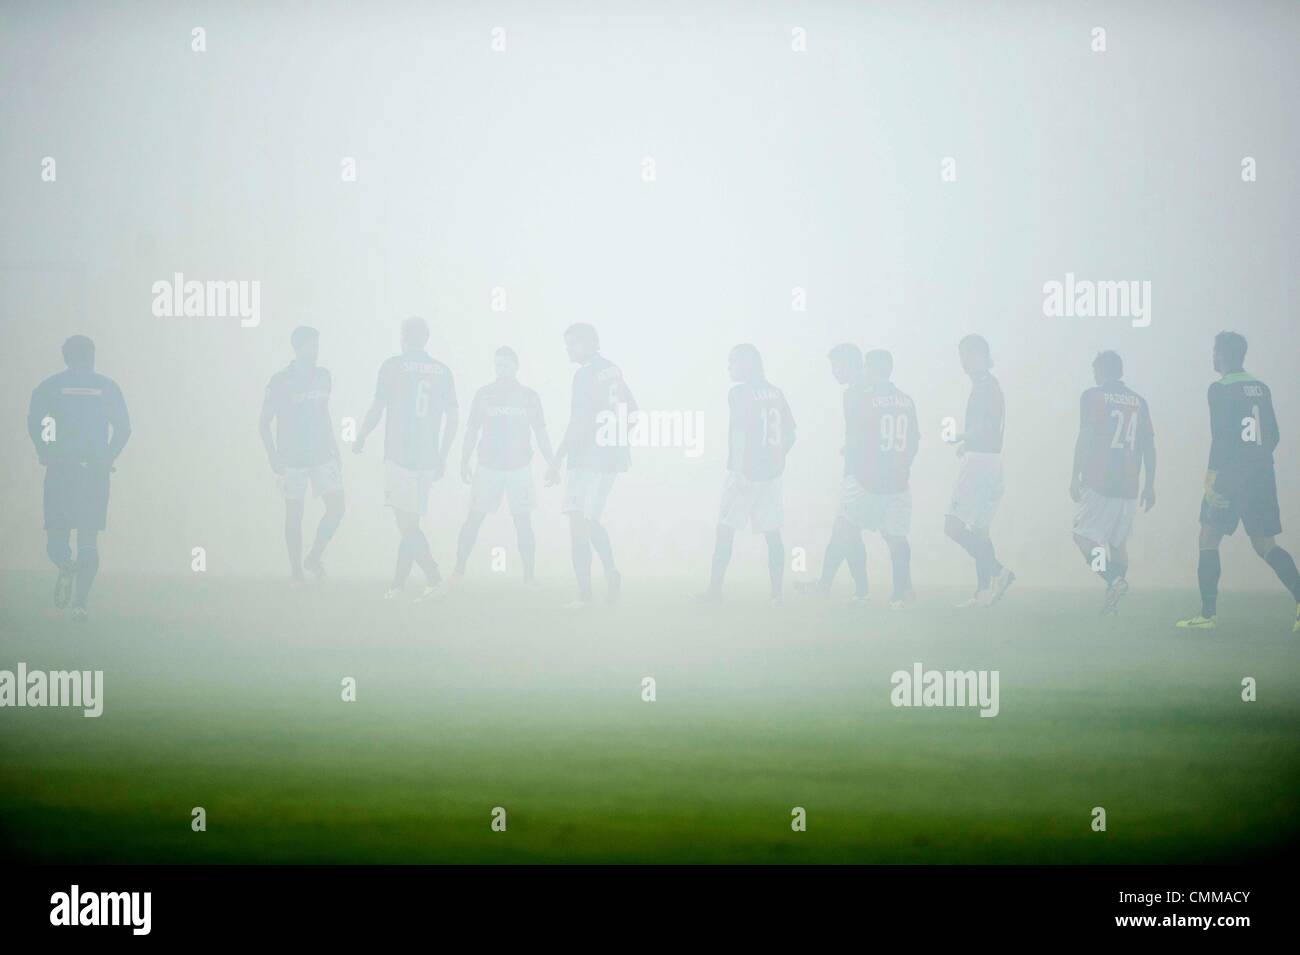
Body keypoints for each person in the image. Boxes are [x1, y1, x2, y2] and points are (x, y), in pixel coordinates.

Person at [1177, 332, 1300, 631]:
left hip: (1230, 476)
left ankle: (1207, 614)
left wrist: (1211, 477)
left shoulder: (1218, 389)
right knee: (1265, 544)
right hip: (1261, 474)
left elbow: (1221, 437)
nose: (1212, 355)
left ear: (1222, 355)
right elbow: (1273, 435)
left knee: (1208, 537)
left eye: (1214, 350)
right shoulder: (1261, 387)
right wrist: (1255, 461)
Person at [26, 335, 131, 620]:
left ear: (65, 357)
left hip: (60, 470)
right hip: (94, 473)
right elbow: (124, 428)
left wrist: (44, 449)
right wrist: (108, 456)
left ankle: (64, 564)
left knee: (56, 538)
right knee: (88, 539)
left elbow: (34, 421)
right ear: (92, 356)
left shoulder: (50, 387)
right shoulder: (107, 388)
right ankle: (80, 604)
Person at [354, 316, 458, 601]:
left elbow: (378, 407)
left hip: (400, 455)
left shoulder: (393, 366)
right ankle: (397, 586)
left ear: (403, 337)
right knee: (410, 524)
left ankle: (434, 578)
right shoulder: (442, 371)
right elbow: (453, 418)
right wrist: (443, 454)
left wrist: (362, 435)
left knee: (407, 525)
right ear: (426, 338)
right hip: (427, 457)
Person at [545, 323, 636, 607]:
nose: (568, 350)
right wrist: (620, 444)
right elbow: (632, 411)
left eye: (572, 344)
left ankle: (584, 597)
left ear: (587, 343)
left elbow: (579, 422)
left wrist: (557, 458)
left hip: (586, 457)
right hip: (610, 458)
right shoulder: (613, 370)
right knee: (590, 520)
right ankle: (611, 572)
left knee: (576, 521)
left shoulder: (584, 375)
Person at [698, 344, 795, 606]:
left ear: (750, 363)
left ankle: (714, 592)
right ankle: (777, 595)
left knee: (725, 530)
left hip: (746, 473)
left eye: (733, 361)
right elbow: (791, 432)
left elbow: (740, 431)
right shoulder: (776, 393)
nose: (729, 367)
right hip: (771, 475)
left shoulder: (739, 393)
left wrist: (740, 469)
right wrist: (777, 458)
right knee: (772, 533)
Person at [453, 347, 554, 584]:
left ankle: (529, 576)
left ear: (516, 366)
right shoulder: (484, 394)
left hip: (519, 468)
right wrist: (463, 459)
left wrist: (553, 462)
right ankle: (458, 569)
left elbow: (540, 432)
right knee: (474, 518)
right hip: (488, 466)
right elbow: (471, 430)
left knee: (523, 522)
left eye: (506, 365)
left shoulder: (529, 396)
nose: (501, 370)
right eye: (497, 365)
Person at [1069, 350, 1155, 614]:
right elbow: (1148, 445)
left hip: (1101, 480)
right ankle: (1113, 602)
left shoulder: (1093, 396)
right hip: (1130, 483)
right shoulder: (1139, 401)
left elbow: (1086, 435)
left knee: (1082, 536)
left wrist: (1075, 474)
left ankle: (1114, 581)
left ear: (1102, 371)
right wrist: (1150, 485)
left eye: (1095, 371)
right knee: (1117, 543)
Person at [259, 326, 344, 585]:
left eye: (317, 345)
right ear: (297, 348)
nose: (316, 350)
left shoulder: (324, 376)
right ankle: (296, 572)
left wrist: (335, 448)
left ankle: (314, 556)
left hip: (321, 455)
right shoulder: (280, 381)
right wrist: (272, 456)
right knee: (295, 514)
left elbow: (324, 414)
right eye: (311, 345)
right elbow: (264, 422)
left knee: (337, 508)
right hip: (292, 458)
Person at [944, 334, 1015, 607]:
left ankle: (999, 572)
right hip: (990, 460)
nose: (965, 361)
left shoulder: (986, 387)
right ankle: (983, 592)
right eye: (962, 355)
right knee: (980, 531)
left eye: (970, 355)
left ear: (983, 356)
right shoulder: (987, 386)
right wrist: (968, 444)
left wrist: (962, 437)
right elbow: (991, 430)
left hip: (981, 462)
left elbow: (986, 427)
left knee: (952, 526)